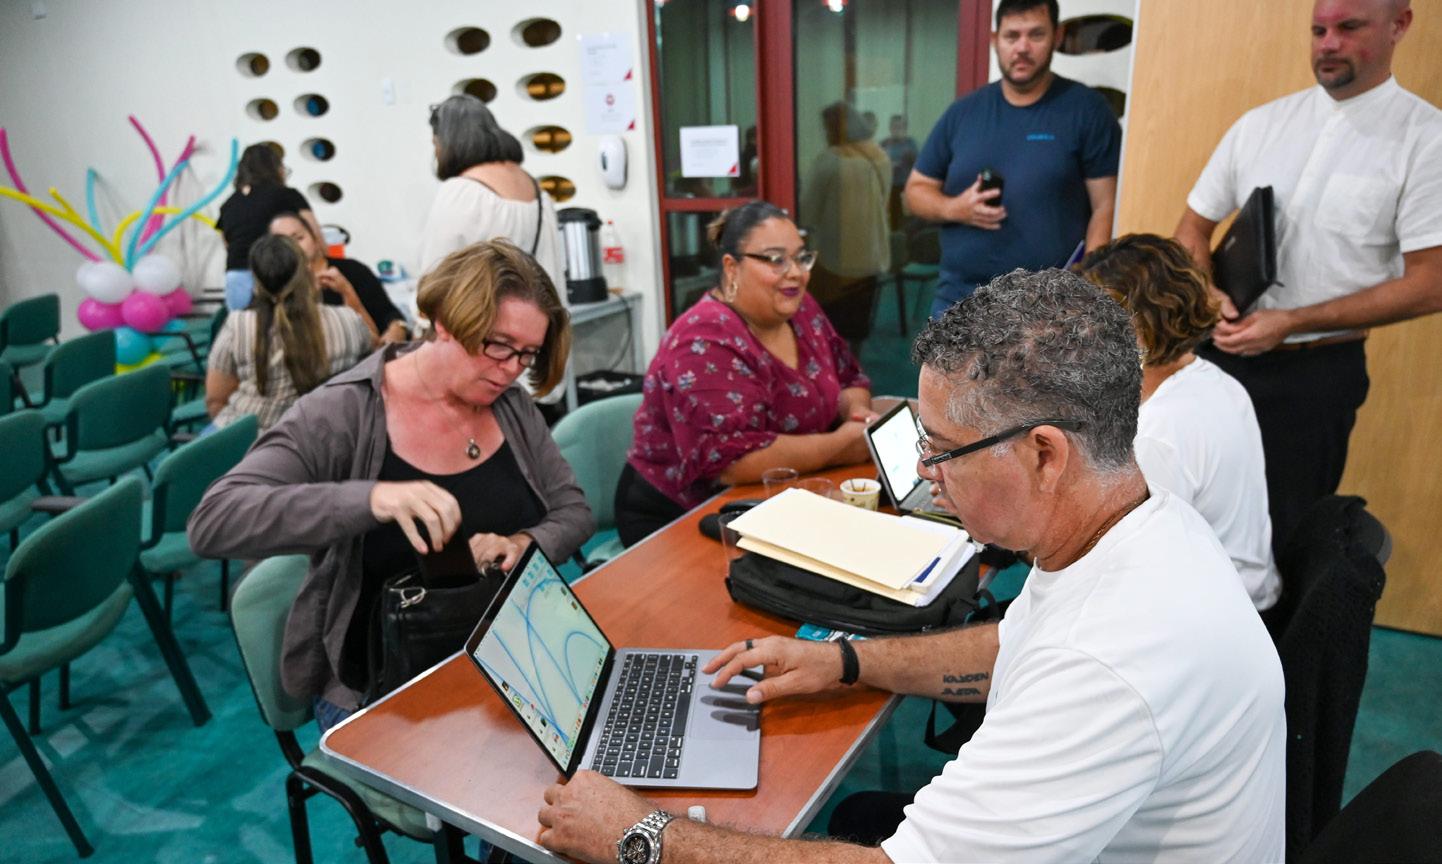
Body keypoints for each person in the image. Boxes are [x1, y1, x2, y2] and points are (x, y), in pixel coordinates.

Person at [538, 268, 1285, 862]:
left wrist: (639, 838)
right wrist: (844, 664)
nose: (926, 474)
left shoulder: (1109, 663)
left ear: (1045, 453)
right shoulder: (1138, 518)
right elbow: (1010, 647)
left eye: (943, 449)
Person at [189, 240, 593, 729]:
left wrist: (522, 542)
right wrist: (372, 498)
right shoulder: (341, 413)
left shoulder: (508, 403)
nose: (510, 369)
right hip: (388, 684)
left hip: (501, 653)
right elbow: (214, 521)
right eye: (498, 345)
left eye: (526, 355)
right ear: (443, 321)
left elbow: (572, 511)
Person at [1175, 0, 1442, 552]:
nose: (1327, 43)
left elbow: (1431, 283)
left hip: (1314, 377)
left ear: (1399, 25)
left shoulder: (1426, 141)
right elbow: (1191, 229)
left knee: (1277, 541)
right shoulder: (1261, 125)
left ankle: (1267, 641)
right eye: (1318, 29)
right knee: (1179, 512)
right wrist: (1208, 291)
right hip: (1216, 356)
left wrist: (1292, 321)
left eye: (1349, 28)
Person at [616, 201, 874, 547]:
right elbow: (734, 462)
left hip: (775, 499)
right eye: (776, 260)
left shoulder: (800, 309)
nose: (796, 273)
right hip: (682, 512)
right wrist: (846, 445)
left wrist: (856, 413)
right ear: (731, 267)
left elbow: (848, 377)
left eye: (800, 257)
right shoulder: (702, 340)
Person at [1078, 234, 1281, 610]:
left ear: (1138, 329)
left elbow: (1112, 565)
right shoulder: (1214, 380)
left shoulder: (1160, 435)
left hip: (1215, 611)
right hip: (1243, 586)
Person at [904, 0, 1121, 316]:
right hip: (959, 301)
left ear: (1057, 36)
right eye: (1012, 36)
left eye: (1035, 35)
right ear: (995, 40)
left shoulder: (1087, 111)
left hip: (1046, 309)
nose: (1022, 47)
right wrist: (955, 208)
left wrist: (1087, 290)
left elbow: (1106, 206)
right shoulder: (964, 113)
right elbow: (915, 191)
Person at [204, 235, 373, 431]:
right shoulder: (348, 320)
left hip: (253, 442)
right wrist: (349, 293)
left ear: (256, 282)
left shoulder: (239, 325)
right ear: (308, 270)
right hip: (327, 440)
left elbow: (216, 400)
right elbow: (374, 354)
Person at [418, 95, 564, 288]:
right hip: (539, 316)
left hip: (484, 318)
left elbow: (434, 279)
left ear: (446, 142)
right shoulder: (536, 190)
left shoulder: (460, 193)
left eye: (435, 144)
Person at [801, 102, 892, 352]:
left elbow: (808, 211)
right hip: (871, 255)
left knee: (831, 327)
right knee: (857, 327)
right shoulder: (879, 156)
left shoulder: (829, 160)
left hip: (834, 261)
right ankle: (855, 369)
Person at [269, 212, 409, 344]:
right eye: (284, 244)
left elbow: (388, 313)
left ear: (316, 238)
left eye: (299, 238)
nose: (295, 247)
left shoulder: (352, 270)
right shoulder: (277, 284)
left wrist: (398, 328)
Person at [216, 144, 323, 311]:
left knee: (244, 331)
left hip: (236, 277)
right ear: (276, 168)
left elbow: (228, 244)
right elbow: (314, 235)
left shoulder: (228, 204)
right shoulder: (288, 195)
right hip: (278, 274)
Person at [880, 114, 919, 228]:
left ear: (905, 128)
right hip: (889, 186)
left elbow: (918, 163)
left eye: (899, 127)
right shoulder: (884, 144)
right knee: (892, 216)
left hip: (906, 185)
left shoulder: (911, 143)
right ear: (890, 128)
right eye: (894, 126)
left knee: (907, 216)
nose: (896, 129)